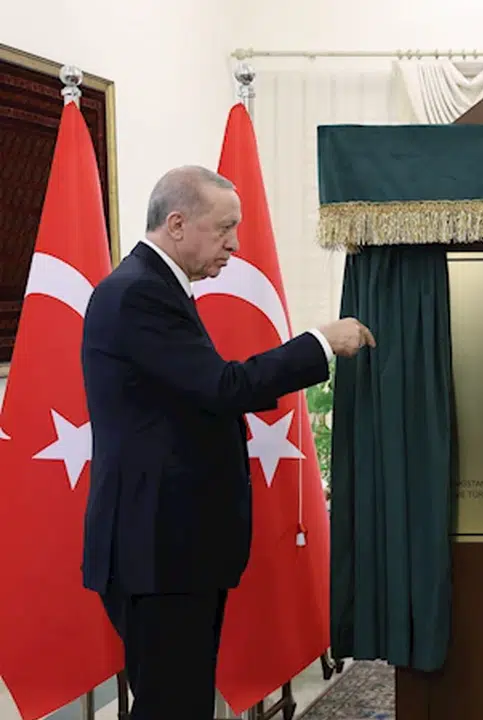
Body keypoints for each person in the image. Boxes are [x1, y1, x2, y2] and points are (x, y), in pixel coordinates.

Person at [80, 166, 375, 719]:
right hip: (156, 550)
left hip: (171, 547)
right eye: (224, 228)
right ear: (176, 224)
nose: (235, 244)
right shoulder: (139, 293)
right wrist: (319, 343)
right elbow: (221, 387)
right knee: (174, 705)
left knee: (181, 701)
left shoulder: (157, 286)